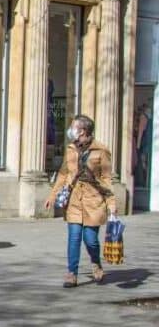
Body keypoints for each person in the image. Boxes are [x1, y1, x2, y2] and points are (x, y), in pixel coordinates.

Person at [44, 114, 117, 288]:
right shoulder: (71, 148)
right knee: (74, 236)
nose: (71, 129)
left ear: (83, 130)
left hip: (94, 201)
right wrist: (52, 195)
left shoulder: (101, 150)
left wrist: (112, 205)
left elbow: (106, 178)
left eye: (74, 126)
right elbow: (63, 173)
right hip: (74, 199)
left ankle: (96, 262)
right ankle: (72, 273)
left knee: (90, 239)